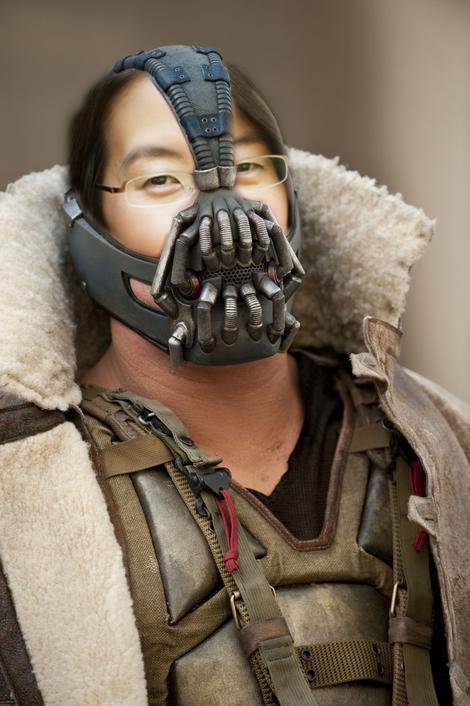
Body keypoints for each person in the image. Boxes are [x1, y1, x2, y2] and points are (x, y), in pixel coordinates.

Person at [0, 43, 468, 706]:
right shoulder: (20, 484)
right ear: (85, 224)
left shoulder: (436, 441)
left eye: (249, 168)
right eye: (160, 180)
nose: (223, 215)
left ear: (294, 195)